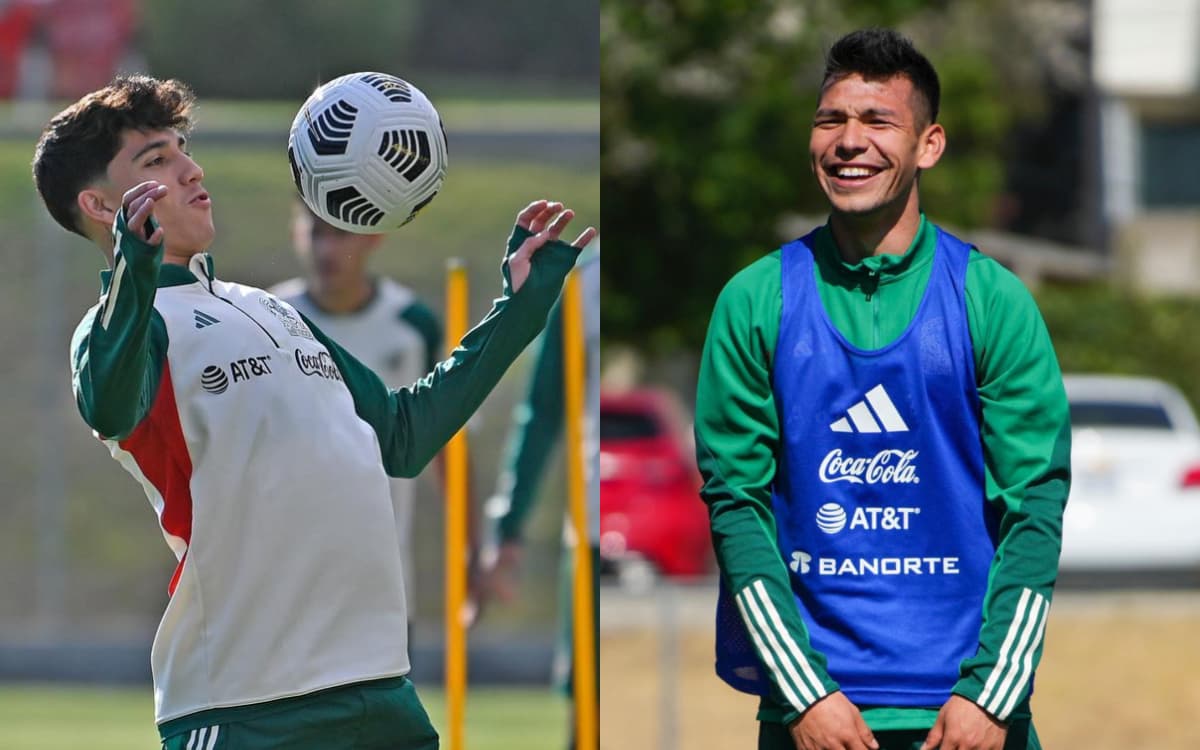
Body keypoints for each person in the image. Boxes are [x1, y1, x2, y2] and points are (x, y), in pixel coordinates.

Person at [32, 74, 595, 749]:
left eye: (183, 148)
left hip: (380, 690)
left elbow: (404, 436)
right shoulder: (123, 327)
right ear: (100, 204)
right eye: (156, 161)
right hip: (245, 707)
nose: (190, 168)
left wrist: (521, 308)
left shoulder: (270, 308)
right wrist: (135, 267)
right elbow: (108, 397)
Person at [694, 29, 1069, 750]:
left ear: (929, 145)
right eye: (830, 120)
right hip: (815, 718)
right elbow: (736, 512)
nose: (848, 141)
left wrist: (992, 695)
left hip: (969, 718)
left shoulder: (992, 300)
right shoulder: (755, 300)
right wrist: (804, 695)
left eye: (877, 122)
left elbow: (1035, 514)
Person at [269, 203, 477, 638]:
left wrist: (470, 549)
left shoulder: (412, 324)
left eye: (339, 234)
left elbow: (447, 445)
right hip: (287, 580)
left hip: (382, 582)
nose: (327, 248)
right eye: (316, 232)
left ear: (372, 238)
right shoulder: (267, 317)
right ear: (295, 234)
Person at [480, 239, 599, 750]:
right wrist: (508, 527)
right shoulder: (586, 283)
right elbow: (543, 410)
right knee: (589, 715)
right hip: (593, 528)